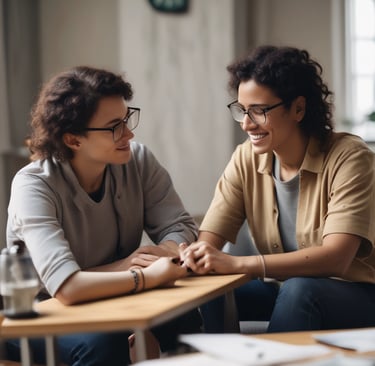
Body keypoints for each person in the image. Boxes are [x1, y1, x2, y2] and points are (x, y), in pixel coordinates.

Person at [6, 66, 201, 365]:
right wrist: (140, 274)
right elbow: (66, 288)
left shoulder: (138, 160)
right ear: (73, 140)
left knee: (183, 313)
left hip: (110, 300)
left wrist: (164, 253)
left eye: (126, 119)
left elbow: (181, 225)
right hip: (38, 313)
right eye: (114, 127)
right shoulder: (33, 185)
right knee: (104, 340)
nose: (129, 133)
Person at [180, 45, 375, 333]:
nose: (247, 124)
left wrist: (238, 264)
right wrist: (195, 256)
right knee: (208, 285)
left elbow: (336, 257)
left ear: (298, 108)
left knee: (300, 290)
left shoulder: (350, 157)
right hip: (284, 290)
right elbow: (209, 242)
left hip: (359, 294)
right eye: (242, 110)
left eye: (258, 111)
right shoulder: (246, 157)